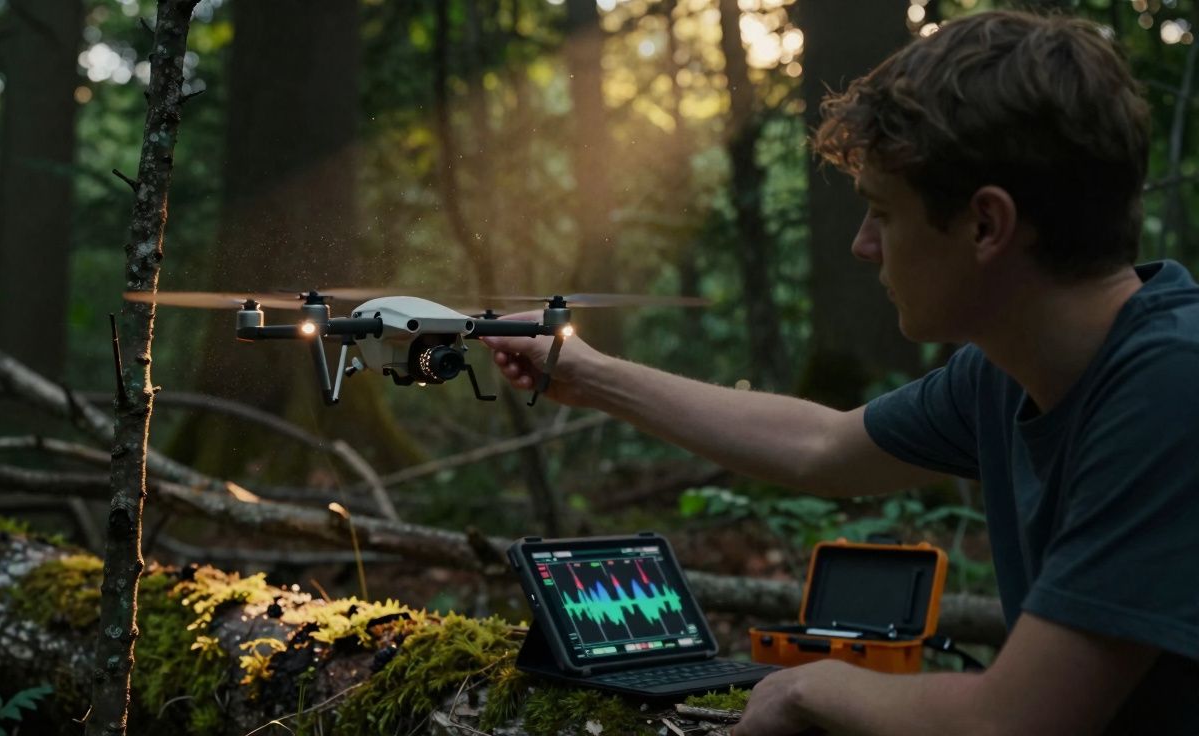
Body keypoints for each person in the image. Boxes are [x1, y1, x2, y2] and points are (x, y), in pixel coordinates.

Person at [480, 10, 1199, 735]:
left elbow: (1016, 721)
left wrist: (807, 688)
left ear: (986, 226)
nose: (863, 246)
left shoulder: (1169, 386)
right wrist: (584, 374)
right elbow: (823, 446)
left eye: (882, 213)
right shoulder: (1007, 373)